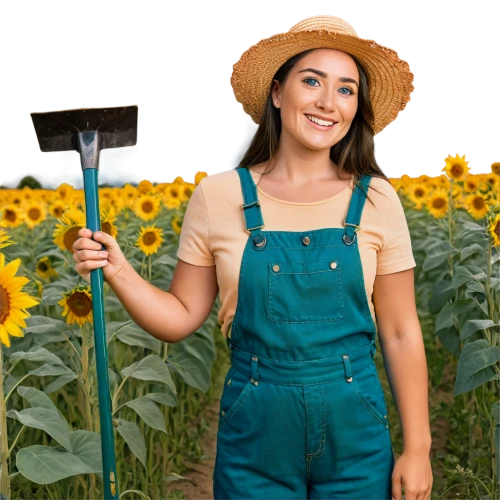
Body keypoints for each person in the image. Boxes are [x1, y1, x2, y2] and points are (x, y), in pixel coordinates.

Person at [73, 16, 433, 500]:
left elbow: (400, 329)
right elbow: (180, 318)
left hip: (357, 433)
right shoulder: (218, 195)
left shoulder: (376, 199)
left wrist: (419, 448)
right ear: (278, 93)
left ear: (356, 108)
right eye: (312, 81)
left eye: (346, 90)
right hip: (256, 429)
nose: (329, 102)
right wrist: (117, 270)